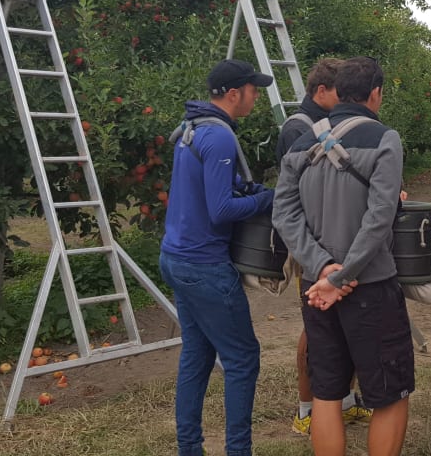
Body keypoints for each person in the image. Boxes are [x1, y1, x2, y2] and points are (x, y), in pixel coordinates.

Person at [273, 56, 414, 456]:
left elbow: (283, 213)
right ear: (375, 93)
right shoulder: (385, 139)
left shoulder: (301, 144)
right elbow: (380, 218)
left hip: (315, 289)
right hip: (369, 286)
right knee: (389, 395)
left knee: (327, 393)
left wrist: (320, 268)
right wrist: (342, 275)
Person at [159, 59, 277, 456]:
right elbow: (221, 211)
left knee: (197, 353)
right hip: (204, 266)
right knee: (243, 358)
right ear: (233, 94)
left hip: (175, 256)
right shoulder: (221, 137)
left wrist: (243, 186)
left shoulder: (191, 129)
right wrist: (266, 199)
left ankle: (189, 448)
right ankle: (238, 451)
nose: (255, 97)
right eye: (252, 90)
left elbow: (207, 190)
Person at [273, 58, 373, 435]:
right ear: (321, 92)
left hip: (333, 249)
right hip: (313, 249)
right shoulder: (299, 129)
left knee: (337, 327)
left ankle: (343, 402)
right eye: (340, 90)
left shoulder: (334, 126)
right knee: (314, 330)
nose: (347, 96)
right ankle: (307, 408)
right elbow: (293, 198)